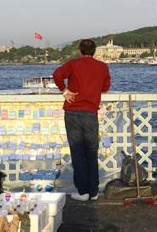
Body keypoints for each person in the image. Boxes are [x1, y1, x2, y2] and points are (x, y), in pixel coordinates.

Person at [53, 39, 111, 201]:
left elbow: (57, 75)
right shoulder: (102, 67)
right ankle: (93, 191)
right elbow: (105, 87)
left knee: (77, 152)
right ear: (94, 51)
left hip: (73, 113)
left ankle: (82, 191)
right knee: (91, 152)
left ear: (80, 51)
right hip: (91, 113)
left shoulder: (73, 64)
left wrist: (65, 91)